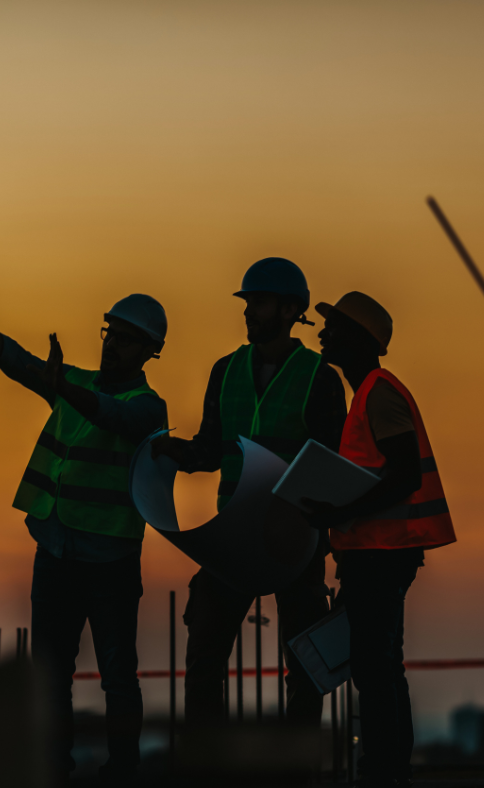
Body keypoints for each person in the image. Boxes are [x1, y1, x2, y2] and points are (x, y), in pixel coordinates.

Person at [0, 268, 168, 787]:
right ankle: (53, 769)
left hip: (110, 562)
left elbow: (113, 416)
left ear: (147, 352)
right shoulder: (75, 384)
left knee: (118, 677)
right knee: (50, 676)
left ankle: (123, 772)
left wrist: (64, 388)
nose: (112, 345)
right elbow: (18, 363)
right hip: (56, 551)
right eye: (109, 333)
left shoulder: (147, 407)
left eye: (125, 339)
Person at [153, 257, 347, 734]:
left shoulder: (318, 376)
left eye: (257, 303)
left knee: (304, 663)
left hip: (296, 539)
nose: (248, 312)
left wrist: (328, 542)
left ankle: (295, 770)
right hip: (235, 537)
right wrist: (178, 454)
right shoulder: (226, 371)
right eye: (248, 303)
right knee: (203, 656)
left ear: (288, 310)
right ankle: (209, 766)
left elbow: (332, 468)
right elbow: (213, 447)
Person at [303, 291, 456, 788]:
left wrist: (339, 512)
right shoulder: (367, 392)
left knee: (375, 666)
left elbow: (403, 474)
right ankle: (388, 767)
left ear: (358, 339)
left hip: (384, 554)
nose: (323, 334)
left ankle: (384, 770)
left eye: (333, 327)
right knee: (381, 664)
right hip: (375, 552)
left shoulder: (378, 392)